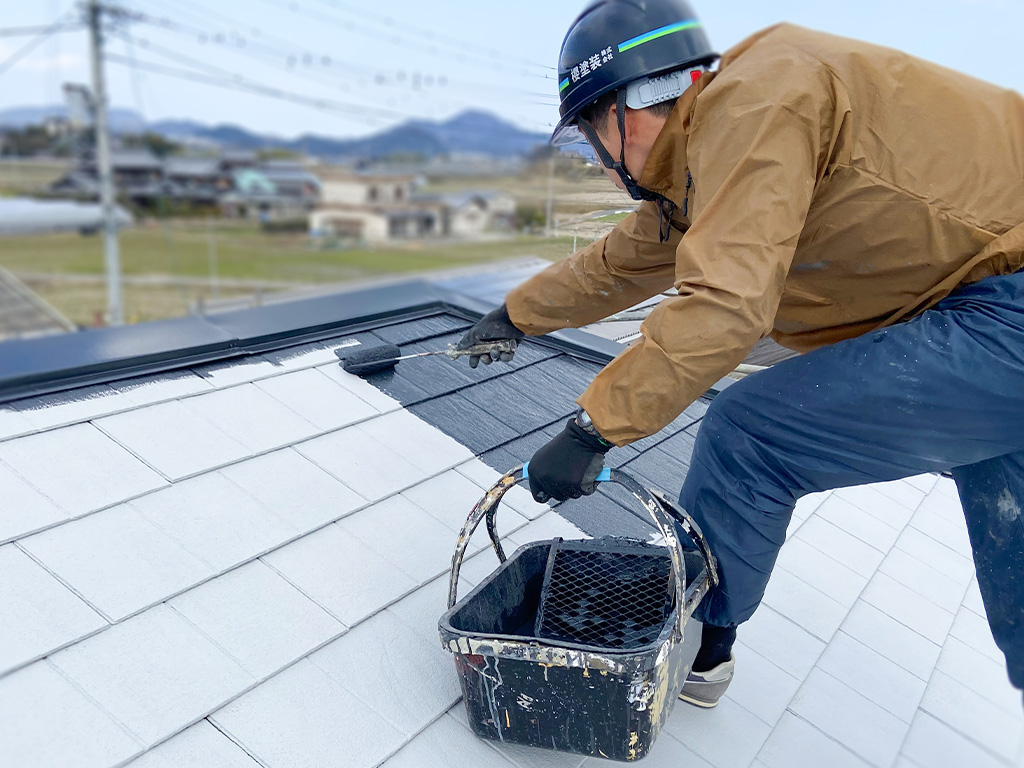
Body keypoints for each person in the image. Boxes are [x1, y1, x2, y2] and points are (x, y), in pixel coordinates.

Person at [457, 0, 1024, 708]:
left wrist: (590, 430)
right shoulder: (722, 145)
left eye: (586, 140)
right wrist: (512, 316)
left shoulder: (757, 105)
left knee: (750, 433)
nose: (599, 168)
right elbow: (618, 265)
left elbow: (725, 303)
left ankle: (696, 649)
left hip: (1005, 314)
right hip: (994, 316)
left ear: (623, 112)